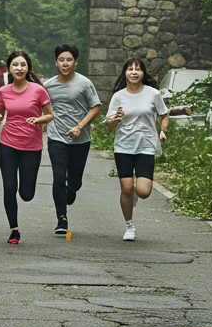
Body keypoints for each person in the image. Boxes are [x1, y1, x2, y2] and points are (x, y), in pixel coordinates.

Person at [0, 50, 53, 245]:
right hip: (8, 144)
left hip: (32, 146)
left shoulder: (38, 90)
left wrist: (39, 119)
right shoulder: (4, 91)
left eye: (23, 65)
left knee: (26, 194)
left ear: (28, 68)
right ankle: (14, 230)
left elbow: (50, 115)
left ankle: (25, 195)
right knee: (9, 187)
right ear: (9, 68)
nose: (19, 68)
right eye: (15, 65)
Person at [105, 57, 170, 242]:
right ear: (125, 72)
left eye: (138, 69)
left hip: (146, 145)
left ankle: (134, 193)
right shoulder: (118, 96)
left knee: (143, 191)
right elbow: (110, 127)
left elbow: (164, 114)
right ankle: (129, 225)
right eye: (130, 69)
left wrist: (163, 131)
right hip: (124, 145)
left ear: (143, 73)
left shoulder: (153, 94)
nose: (134, 72)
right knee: (126, 187)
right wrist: (116, 119)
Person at [44, 44, 101, 236]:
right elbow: (41, 108)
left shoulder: (84, 83)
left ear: (75, 62)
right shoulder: (49, 85)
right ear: (56, 62)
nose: (65, 63)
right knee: (59, 177)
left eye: (69, 60)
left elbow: (95, 107)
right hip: (56, 137)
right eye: (61, 60)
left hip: (81, 139)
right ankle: (62, 219)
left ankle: (72, 188)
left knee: (74, 182)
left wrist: (79, 127)